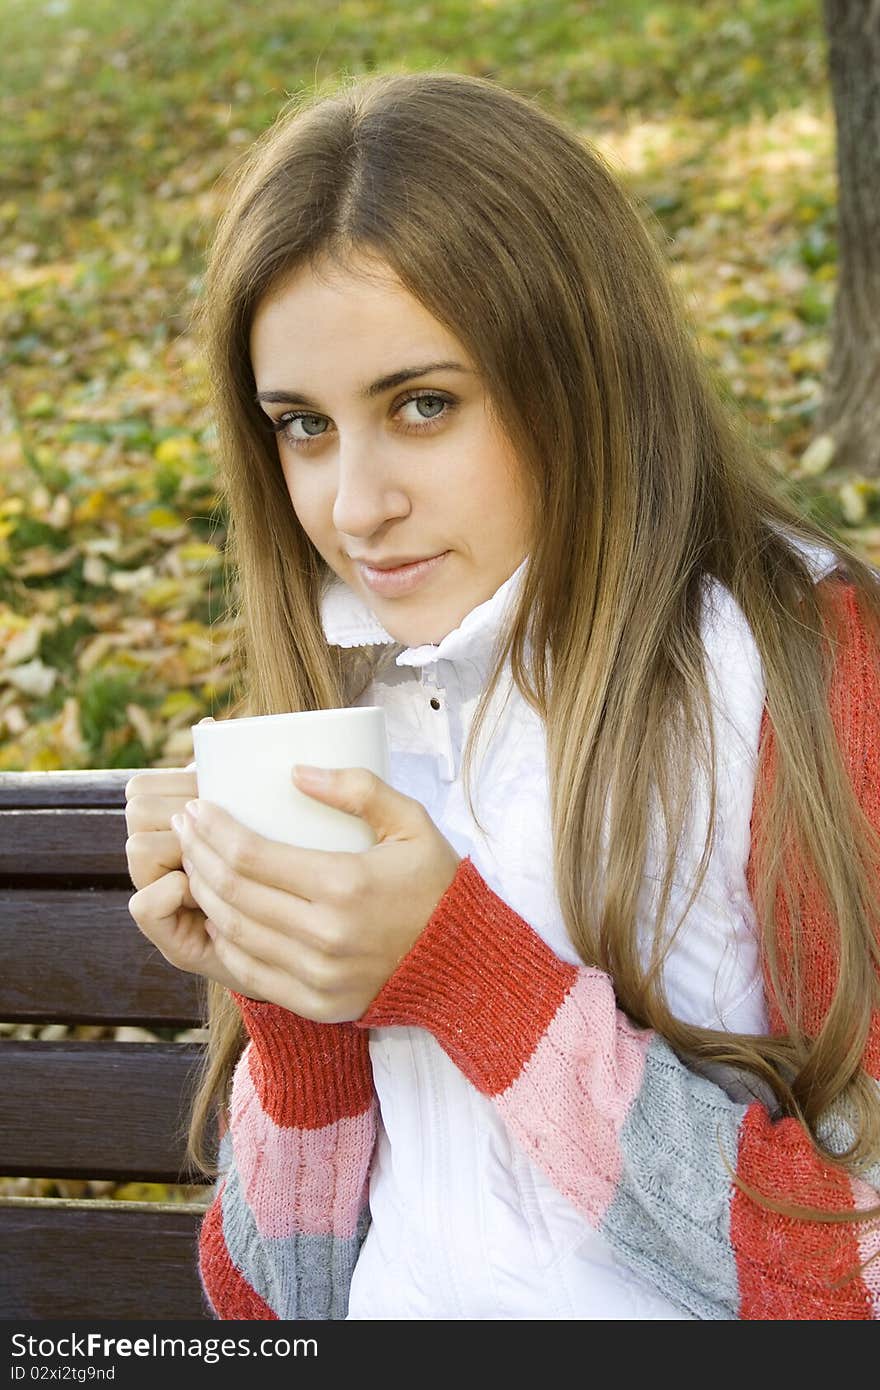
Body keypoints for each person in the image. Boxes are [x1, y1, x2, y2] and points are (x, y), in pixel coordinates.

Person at [124, 69, 880, 1320]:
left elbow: (851, 1276)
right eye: (302, 426)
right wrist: (293, 991)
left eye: (423, 406)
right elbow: (272, 1312)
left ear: (579, 368)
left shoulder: (799, 664)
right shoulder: (351, 675)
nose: (356, 508)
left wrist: (471, 977)